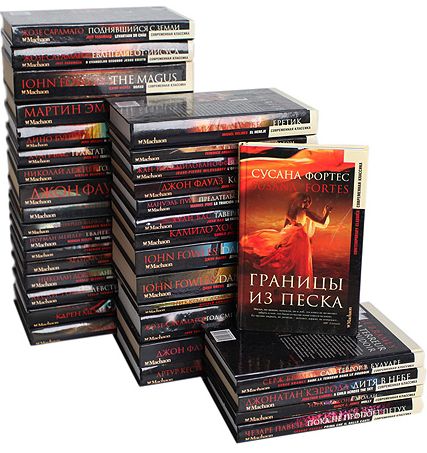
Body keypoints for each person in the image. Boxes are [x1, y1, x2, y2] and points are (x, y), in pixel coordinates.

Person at [240, 193, 332, 279]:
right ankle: (290, 280)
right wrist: (327, 212)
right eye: (305, 201)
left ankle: (290, 280)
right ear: (299, 200)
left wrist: (282, 240)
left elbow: (286, 227)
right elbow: (322, 222)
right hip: (297, 236)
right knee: (293, 259)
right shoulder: (301, 211)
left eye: (309, 201)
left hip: (295, 236)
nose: (307, 203)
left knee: (291, 259)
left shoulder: (294, 211)